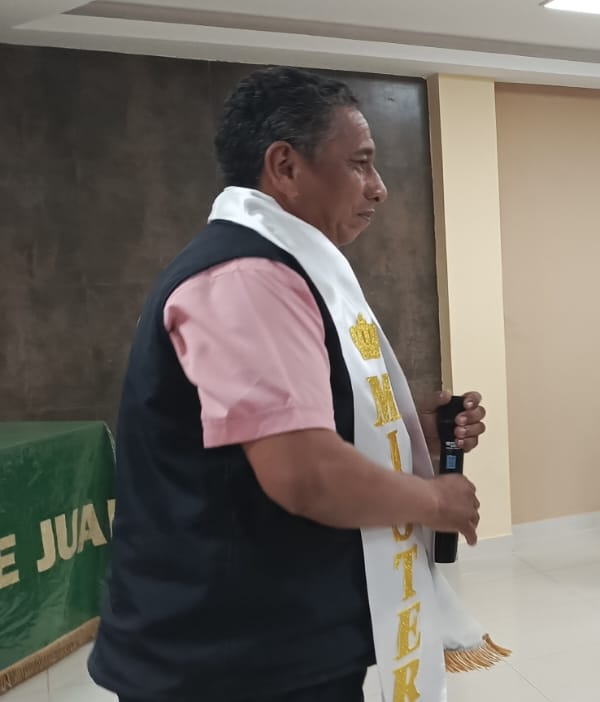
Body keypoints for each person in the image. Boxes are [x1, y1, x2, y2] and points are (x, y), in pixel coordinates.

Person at [90, 67, 492, 702]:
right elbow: (304, 473)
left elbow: (278, 428)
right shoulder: (248, 277)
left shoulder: (277, 263)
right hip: (229, 659)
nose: (379, 188)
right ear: (285, 166)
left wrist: (408, 431)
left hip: (266, 639)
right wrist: (434, 501)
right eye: (359, 163)